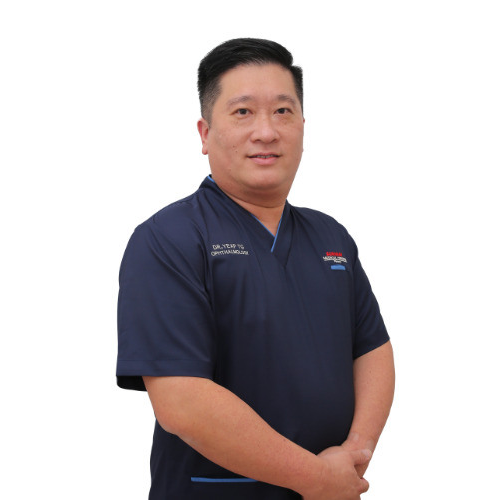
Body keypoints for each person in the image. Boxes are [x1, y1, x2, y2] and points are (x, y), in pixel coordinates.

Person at [116, 37, 396, 500]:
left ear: (302, 125)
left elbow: (373, 350)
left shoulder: (331, 236)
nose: (266, 132)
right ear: (205, 133)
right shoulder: (168, 238)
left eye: (283, 111)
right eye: (243, 112)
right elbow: (182, 401)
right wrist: (316, 479)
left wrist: (354, 453)